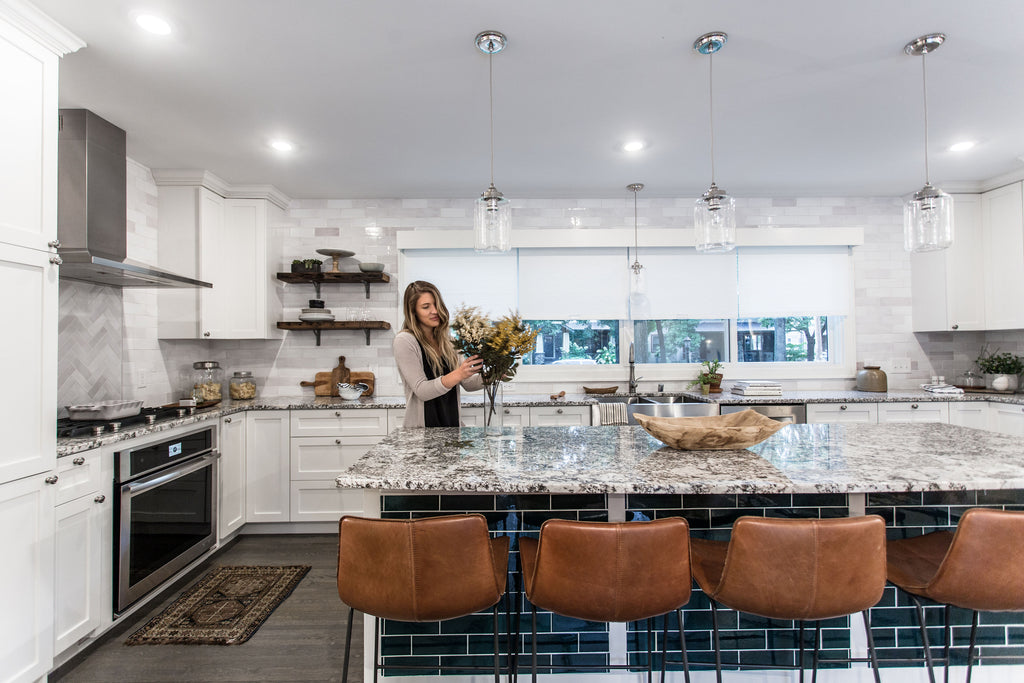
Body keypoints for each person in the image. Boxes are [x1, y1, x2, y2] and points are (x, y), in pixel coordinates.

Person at [394, 281, 483, 428]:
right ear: (413, 311)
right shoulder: (405, 340)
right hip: (421, 433)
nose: (435, 311)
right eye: (426, 307)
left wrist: (494, 374)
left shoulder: (449, 341)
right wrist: (459, 374)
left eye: (436, 304)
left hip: (452, 429)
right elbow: (421, 390)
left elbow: (468, 383)